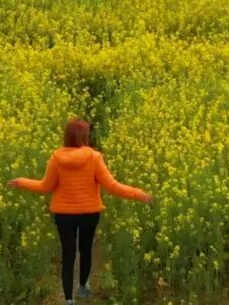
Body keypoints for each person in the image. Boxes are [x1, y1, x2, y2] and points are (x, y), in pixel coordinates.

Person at [8, 117, 153, 304]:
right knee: (85, 249)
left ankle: (68, 300)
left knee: (68, 254)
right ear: (85, 136)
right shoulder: (94, 157)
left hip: (64, 216)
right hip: (89, 214)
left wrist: (20, 182)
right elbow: (112, 185)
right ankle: (83, 287)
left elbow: (45, 186)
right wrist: (139, 194)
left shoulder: (57, 158)